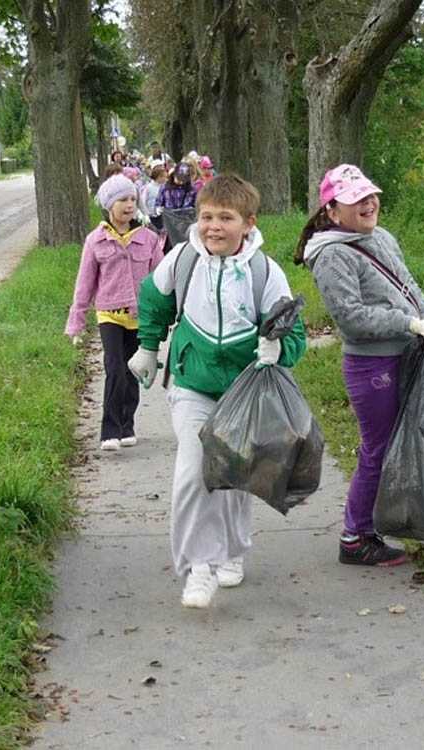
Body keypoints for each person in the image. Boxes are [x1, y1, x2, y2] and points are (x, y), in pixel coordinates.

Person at [128, 174, 307, 608]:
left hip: (244, 393)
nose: (213, 227)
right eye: (206, 216)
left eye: (225, 218)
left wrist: (277, 347)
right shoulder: (184, 258)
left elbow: (293, 332)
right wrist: (148, 348)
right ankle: (197, 568)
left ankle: (231, 550)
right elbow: (153, 296)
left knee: (234, 475)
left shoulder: (265, 271)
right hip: (192, 384)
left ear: (248, 223)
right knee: (195, 471)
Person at [294, 163, 424, 565]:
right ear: (333, 211)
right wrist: (408, 322)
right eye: (356, 200)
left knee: (423, 440)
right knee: (380, 449)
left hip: (410, 353)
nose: (369, 204)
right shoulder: (332, 256)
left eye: (370, 196)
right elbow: (351, 316)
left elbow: (406, 285)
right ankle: (355, 536)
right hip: (373, 367)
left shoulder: (381, 237)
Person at [65, 174, 165, 451]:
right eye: (123, 199)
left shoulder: (149, 239)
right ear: (109, 204)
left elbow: (162, 280)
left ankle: (126, 424)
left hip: (139, 318)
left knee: (133, 371)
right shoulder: (95, 241)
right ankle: (109, 430)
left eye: (133, 199)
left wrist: (169, 314)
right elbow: (84, 284)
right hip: (109, 314)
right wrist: (77, 322)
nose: (129, 205)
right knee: (114, 369)